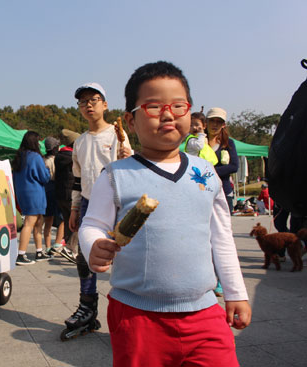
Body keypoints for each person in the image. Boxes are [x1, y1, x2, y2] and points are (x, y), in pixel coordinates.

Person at [80, 61, 251, 366]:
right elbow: (92, 224)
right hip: (136, 316)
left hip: (205, 312)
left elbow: (221, 236)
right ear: (131, 122)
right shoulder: (116, 174)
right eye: (154, 107)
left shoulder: (205, 171)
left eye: (178, 105)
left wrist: (236, 291)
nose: (168, 114)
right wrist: (93, 244)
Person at [65, 82, 133, 333]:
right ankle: (87, 307)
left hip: (116, 201)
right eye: (83, 102)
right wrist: (74, 209)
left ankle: (128, 307)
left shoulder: (117, 134)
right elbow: (77, 178)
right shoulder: (80, 142)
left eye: (94, 100)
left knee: (124, 254)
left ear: (104, 104)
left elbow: (130, 165)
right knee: (85, 256)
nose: (88, 105)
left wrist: (127, 157)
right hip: (87, 202)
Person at [12, 131, 51, 265]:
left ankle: (39, 251)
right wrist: (47, 169)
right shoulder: (35, 157)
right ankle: (21, 254)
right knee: (30, 222)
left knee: (38, 222)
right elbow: (45, 177)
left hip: (23, 192)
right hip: (35, 193)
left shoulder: (19, 157)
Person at [54, 128, 81, 263]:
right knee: (78, 222)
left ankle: (70, 249)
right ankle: (70, 248)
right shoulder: (72, 157)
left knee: (69, 222)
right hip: (71, 194)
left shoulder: (59, 156)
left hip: (60, 195)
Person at [207, 107, 239, 215]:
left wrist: (210, 171)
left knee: (223, 230)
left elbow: (234, 166)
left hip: (224, 191)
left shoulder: (228, 143)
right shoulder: (197, 142)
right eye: (212, 120)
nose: (215, 124)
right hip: (202, 190)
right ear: (206, 122)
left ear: (223, 125)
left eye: (219, 121)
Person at [38, 136, 65, 256]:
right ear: (55, 148)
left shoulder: (43, 160)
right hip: (55, 189)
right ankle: (57, 243)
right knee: (61, 219)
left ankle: (48, 246)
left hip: (45, 190)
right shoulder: (56, 160)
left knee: (48, 220)